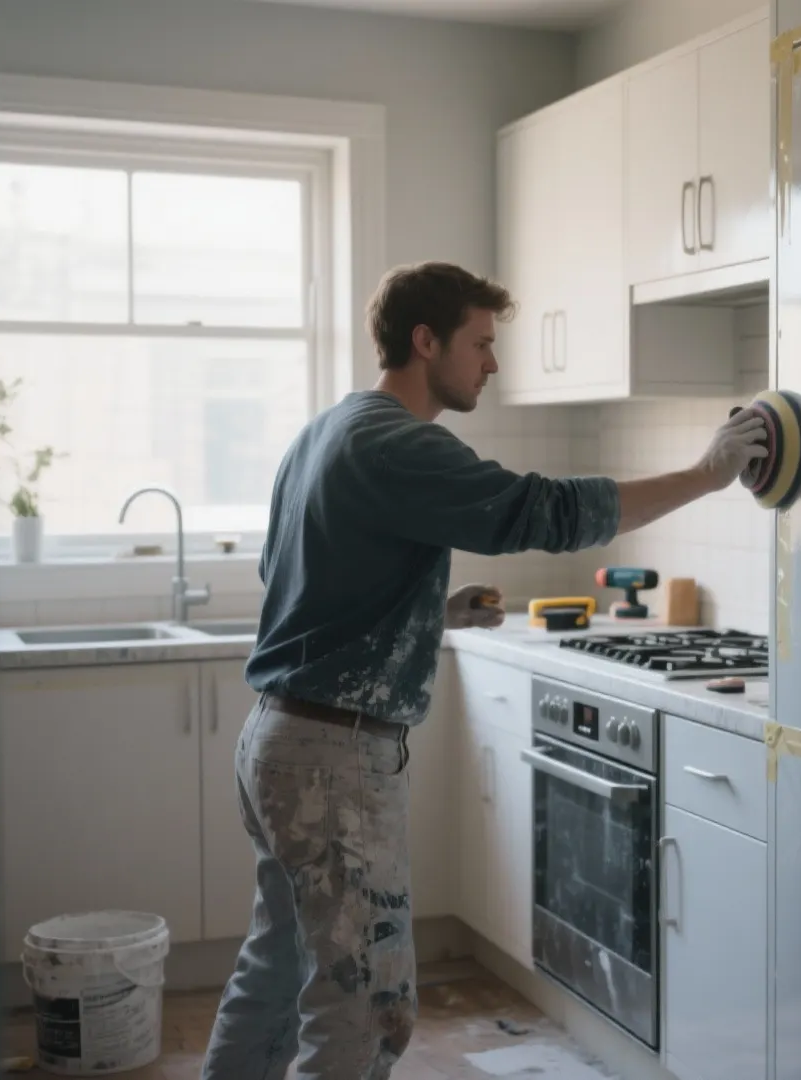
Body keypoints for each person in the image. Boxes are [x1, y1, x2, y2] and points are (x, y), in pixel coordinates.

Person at [200, 261, 767, 1079]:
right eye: (482, 343)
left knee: (280, 970)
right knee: (364, 1005)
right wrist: (706, 475)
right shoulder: (395, 442)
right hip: (333, 764)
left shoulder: (326, 432)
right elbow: (544, 510)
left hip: (281, 739)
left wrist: (431, 613)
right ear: (425, 341)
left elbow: (303, 585)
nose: (493, 364)